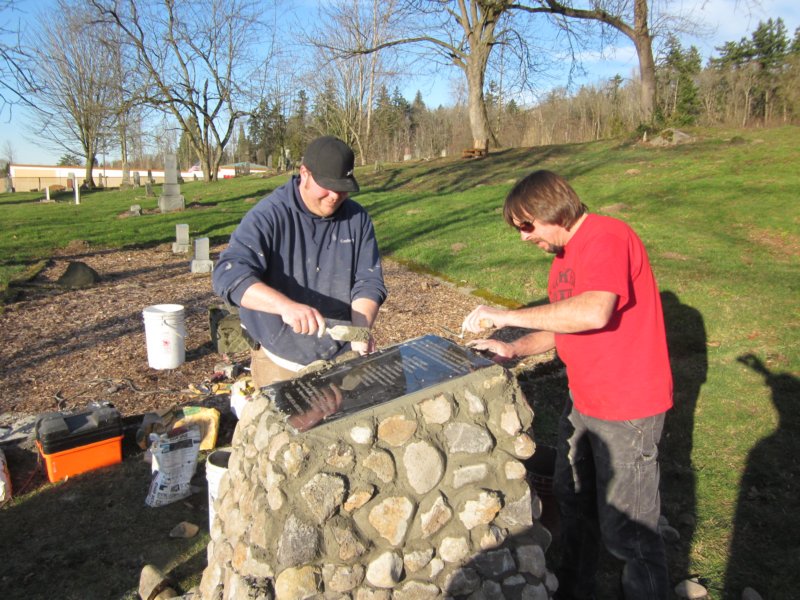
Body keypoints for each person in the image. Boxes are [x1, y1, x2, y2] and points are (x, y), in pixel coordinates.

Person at [461, 170, 673, 600]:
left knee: (629, 531)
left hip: (627, 406)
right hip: (584, 401)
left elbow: (594, 311)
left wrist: (505, 315)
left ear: (551, 209)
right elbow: (567, 323)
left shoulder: (606, 237)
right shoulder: (563, 259)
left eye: (526, 225)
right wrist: (514, 347)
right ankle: (575, 590)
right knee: (573, 501)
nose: (524, 237)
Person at [212, 135, 387, 388]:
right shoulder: (268, 215)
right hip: (280, 359)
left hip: (342, 355)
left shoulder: (357, 219)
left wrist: (360, 331)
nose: (334, 196)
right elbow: (228, 275)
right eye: (327, 186)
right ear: (304, 173)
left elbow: (368, 281)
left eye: (342, 187)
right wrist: (285, 307)